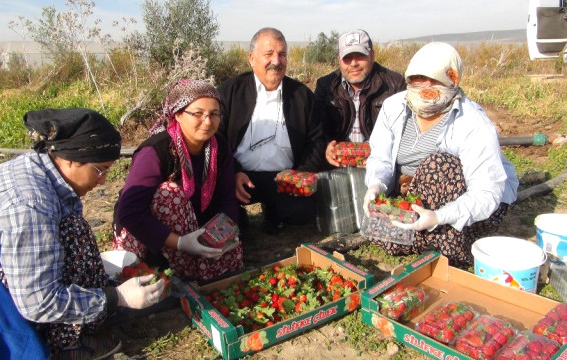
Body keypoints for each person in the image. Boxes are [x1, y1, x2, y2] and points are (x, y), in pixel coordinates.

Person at [0, 108, 166, 359]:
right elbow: (37, 301)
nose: (104, 181)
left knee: (70, 231)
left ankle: (72, 327)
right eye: (101, 170)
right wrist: (114, 298)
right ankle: (65, 345)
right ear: (71, 159)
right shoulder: (31, 203)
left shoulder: (40, 169)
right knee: (66, 240)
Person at [362, 42, 519, 268]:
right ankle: (427, 236)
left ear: (453, 81)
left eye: (435, 80)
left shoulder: (472, 121)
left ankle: (448, 240)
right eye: (418, 79)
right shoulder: (393, 107)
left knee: (439, 164)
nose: (426, 87)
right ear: (408, 80)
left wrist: (439, 216)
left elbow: (486, 192)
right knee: (382, 235)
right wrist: (376, 185)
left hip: (468, 204)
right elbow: (381, 157)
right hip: (418, 194)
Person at [113, 79, 242, 282]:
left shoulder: (219, 148)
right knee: (168, 192)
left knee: (224, 258)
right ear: (178, 115)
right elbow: (130, 212)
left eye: (214, 114)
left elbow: (227, 199)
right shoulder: (155, 151)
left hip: (196, 224)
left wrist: (226, 233)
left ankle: (196, 263)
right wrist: (181, 243)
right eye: (197, 113)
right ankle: (167, 261)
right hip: (152, 231)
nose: (207, 121)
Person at [217, 27, 325, 234]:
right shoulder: (229, 92)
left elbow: (316, 140)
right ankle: (239, 214)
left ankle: (274, 210)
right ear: (251, 58)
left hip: (285, 179)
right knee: (232, 225)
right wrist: (233, 171)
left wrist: (299, 175)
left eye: (282, 54)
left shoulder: (301, 95)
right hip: (240, 177)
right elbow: (216, 138)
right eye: (268, 54)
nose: (276, 61)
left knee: (301, 213)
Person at [313, 29, 406, 168]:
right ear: (339, 59)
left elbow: (404, 132)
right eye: (347, 58)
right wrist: (326, 145)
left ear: (372, 55)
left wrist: (379, 155)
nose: (353, 63)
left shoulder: (395, 84)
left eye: (360, 56)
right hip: (339, 164)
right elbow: (317, 127)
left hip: (381, 163)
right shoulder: (325, 85)